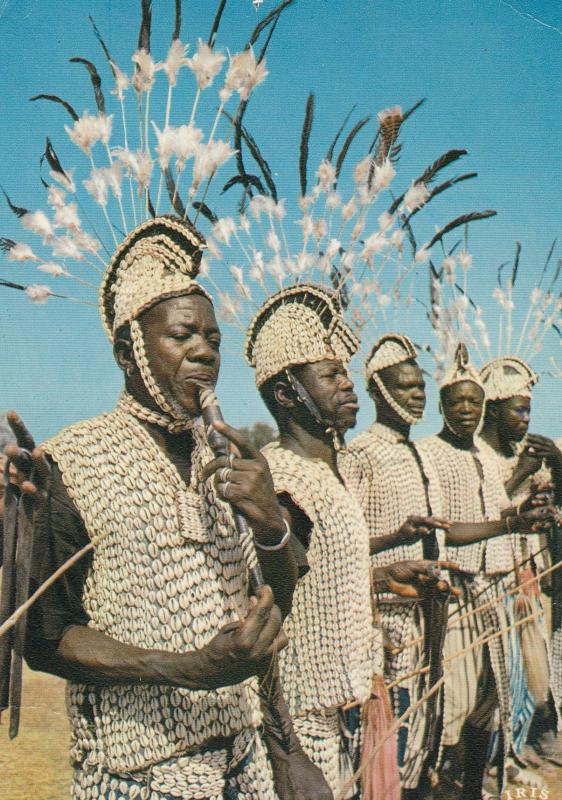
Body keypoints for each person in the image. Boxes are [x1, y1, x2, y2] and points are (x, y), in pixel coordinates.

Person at [10, 216, 331, 800]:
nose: (204, 353)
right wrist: (185, 668)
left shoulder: (238, 459)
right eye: (182, 336)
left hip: (245, 761)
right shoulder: (71, 462)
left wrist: (271, 525)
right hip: (138, 776)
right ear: (128, 351)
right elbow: (45, 637)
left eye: (212, 340)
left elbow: (281, 599)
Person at [242, 283, 456, 799]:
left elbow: (315, 576)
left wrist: (380, 575)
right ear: (287, 392)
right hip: (305, 720)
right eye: (331, 375)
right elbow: (269, 605)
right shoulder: (281, 482)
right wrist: (285, 747)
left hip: (352, 707)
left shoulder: (330, 472)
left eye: (345, 373)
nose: (348, 385)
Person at [416, 344, 554, 800]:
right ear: (442, 406)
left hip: (497, 589)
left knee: (492, 699)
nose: (467, 411)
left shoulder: (479, 457)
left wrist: (528, 508)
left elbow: (499, 508)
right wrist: (514, 515)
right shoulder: (430, 454)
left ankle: (475, 786)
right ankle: (447, 782)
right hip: (457, 593)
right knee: (454, 705)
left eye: (473, 403)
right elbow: (448, 529)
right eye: (458, 403)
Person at [341, 333, 450, 798]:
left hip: (424, 613)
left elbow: (443, 530)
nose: (417, 395)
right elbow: (342, 546)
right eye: (405, 387)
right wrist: (395, 546)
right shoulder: (361, 454)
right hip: (382, 616)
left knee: (422, 728)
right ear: (378, 392)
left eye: (420, 386)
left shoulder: (418, 453)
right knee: (391, 732)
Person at [479, 356, 562, 766]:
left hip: (526, 578)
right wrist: (518, 478)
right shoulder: (475, 455)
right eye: (519, 409)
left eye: (529, 409)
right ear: (492, 409)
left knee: (535, 674)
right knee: (495, 680)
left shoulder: (522, 455)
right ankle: (500, 760)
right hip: (490, 580)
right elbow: (480, 514)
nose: (526, 419)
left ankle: (527, 745)